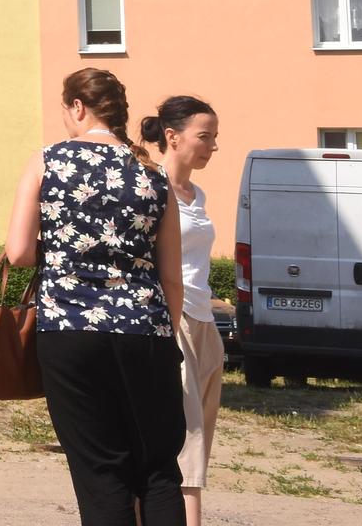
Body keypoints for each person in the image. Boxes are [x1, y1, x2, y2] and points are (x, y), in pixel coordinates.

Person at [3, 69, 187, 526]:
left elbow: (19, 252)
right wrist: (166, 335)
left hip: (69, 329)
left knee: (100, 469)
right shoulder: (153, 174)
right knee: (158, 469)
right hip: (145, 330)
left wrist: (68, 250)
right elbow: (172, 276)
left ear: (78, 107)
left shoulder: (48, 160)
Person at [145, 96, 222, 526]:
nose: (211, 146)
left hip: (204, 322)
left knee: (202, 435)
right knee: (187, 433)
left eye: (214, 137)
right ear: (172, 137)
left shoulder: (197, 193)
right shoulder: (152, 187)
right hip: (171, 321)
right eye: (204, 136)